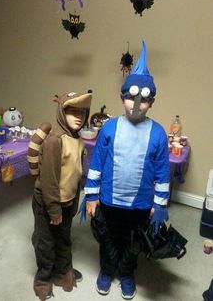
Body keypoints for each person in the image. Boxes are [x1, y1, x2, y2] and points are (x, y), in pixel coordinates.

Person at [84, 41, 170, 300]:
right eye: (131, 96)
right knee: (109, 239)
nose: (137, 103)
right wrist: (90, 196)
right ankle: (107, 270)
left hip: (141, 204)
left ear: (151, 103)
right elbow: (96, 164)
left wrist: (160, 204)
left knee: (132, 243)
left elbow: (163, 172)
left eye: (144, 99)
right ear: (122, 97)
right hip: (109, 200)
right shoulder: (109, 128)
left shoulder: (158, 132)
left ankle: (127, 273)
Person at [31, 90, 92, 301]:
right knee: (45, 241)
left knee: (64, 238)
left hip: (67, 202)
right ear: (61, 113)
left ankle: (62, 272)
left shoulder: (78, 140)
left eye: (82, 113)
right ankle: (43, 278)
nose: (78, 117)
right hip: (47, 202)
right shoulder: (54, 141)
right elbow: (49, 180)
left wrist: (73, 204)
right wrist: (54, 209)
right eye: (72, 112)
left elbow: (75, 175)